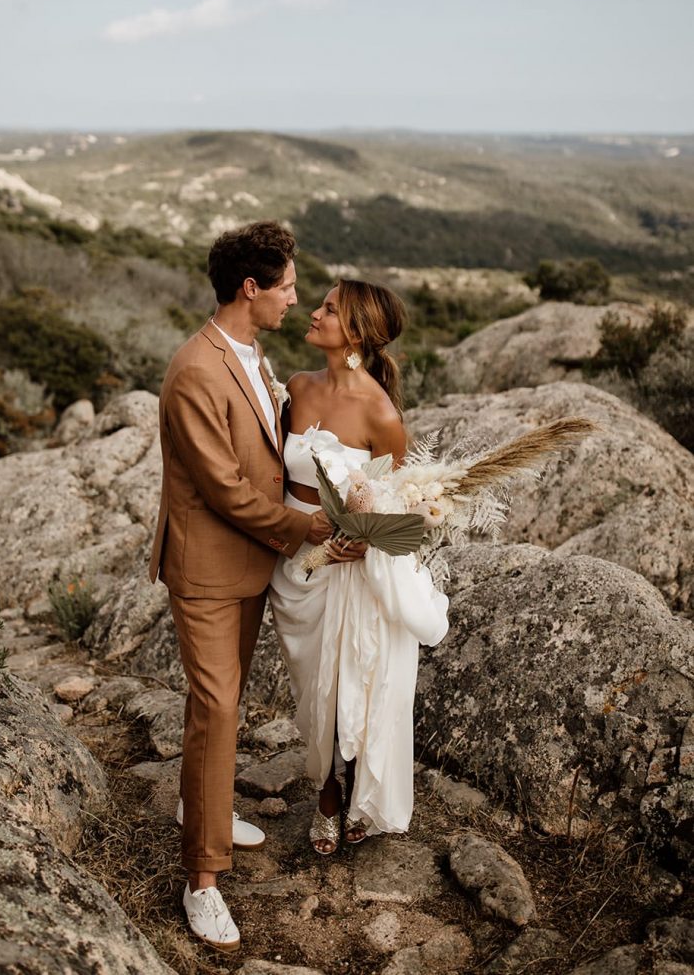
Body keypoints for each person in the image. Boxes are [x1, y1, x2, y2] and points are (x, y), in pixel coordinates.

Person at [149, 220, 331, 951]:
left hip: (250, 564)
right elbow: (224, 489)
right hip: (207, 570)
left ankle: (214, 815)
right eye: (287, 285)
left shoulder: (254, 354)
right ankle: (202, 879)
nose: (296, 298)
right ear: (249, 288)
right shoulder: (194, 369)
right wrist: (304, 527)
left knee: (229, 702)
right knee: (216, 707)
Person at [269, 279, 450, 855]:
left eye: (328, 309)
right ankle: (323, 789)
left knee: (344, 685)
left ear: (355, 334)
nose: (313, 312)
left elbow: (393, 510)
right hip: (294, 559)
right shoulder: (297, 387)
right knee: (309, 690)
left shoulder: (381, 414)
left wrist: (361, 543)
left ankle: (347, 793)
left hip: (345, 570)